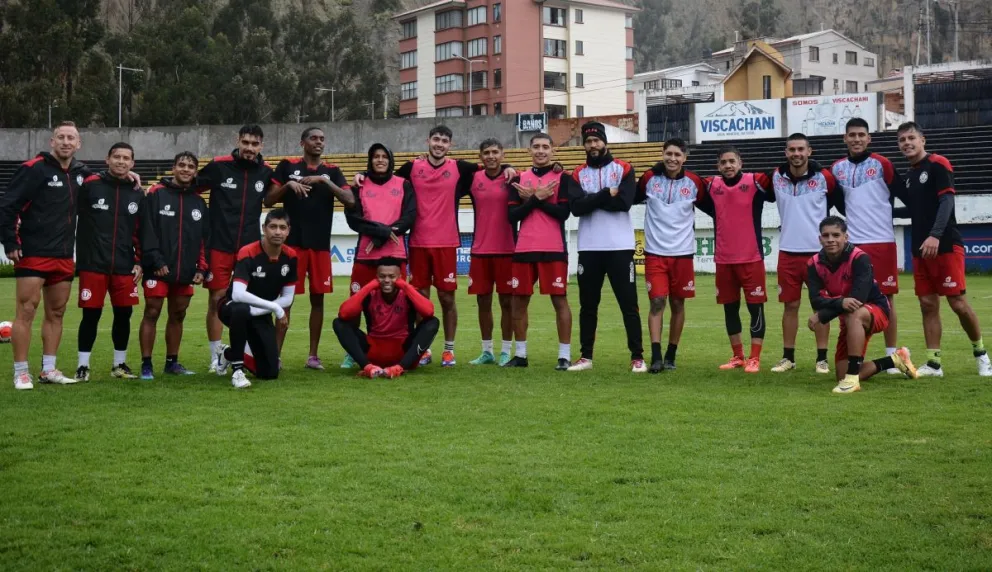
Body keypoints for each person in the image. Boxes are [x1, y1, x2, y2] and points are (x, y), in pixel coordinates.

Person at [353, 125, 515, 367]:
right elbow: (383, 176)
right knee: (419, 299)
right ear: (428, 141)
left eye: (445, 141)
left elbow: (491, 167)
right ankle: (423, 349)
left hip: (446, 242)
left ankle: (448, 350)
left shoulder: (460, 168)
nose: (439, 144)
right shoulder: (412, 167)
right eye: (436, 139)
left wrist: (509, 167)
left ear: (450, 145)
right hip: (418, 242)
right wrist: (361, 174)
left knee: (447, 298)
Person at [891, 122, 990, 377]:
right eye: (902, 140)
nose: (906, 143)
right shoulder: (911, 175)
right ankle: (934, 364)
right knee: (927, 304)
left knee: (957, 303)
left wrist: (935, 235)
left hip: (944, 244)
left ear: (922, 140)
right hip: (920, 248)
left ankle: (981, 355)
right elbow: (914, 211)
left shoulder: (938, 163)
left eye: (911, 138)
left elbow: (946, 201)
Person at [0, 122, 94, 389]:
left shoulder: (81, 173)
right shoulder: (33, 169)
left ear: (78, 145)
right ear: (52, 142)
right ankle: (21, 372)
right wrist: (10, 241)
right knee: (26, 311)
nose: (66, 142)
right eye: (61, 137)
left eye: (71, 138)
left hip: (64, 254)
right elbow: (7, 206)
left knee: (57, 312)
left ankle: (48, 370)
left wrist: (131, 176)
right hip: (33, 251)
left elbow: (105, 181)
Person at [266, 127, 354, 370]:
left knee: (318, 300)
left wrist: (324, 182)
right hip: (291, 246)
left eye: (322, 139)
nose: (319, 142)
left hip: (320, 246)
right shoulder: (287, 166)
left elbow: (350, 200)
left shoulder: (332, 171)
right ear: (302, 142)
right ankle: (276, 355)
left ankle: (313, 356)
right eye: (314, 138)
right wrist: (288, 186)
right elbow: (269, 200)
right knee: (285, 301)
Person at [566, 122, 645, 373]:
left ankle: (637, 357)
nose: (593, 145)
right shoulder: (577, 173)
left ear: (604, 141)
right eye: (588, 142)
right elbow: (576, 208)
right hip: (589, 248)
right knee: (588, 305)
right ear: (584, 145)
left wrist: (591, 199)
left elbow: (623, 203)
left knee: (628, 304)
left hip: (620, 247)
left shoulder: (623, 168)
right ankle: (586, 357)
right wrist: (603, 194)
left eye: (596, 141)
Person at [806, 216, 917, 394]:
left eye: (836, 235)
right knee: (840, 374)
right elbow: (815, 300)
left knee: (854, 312)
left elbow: (858, 299)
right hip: (849, 317)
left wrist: (822, 315)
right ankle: (895, 360)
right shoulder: (814, 264)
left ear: (845, 237)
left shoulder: (859, 258)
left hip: (876, 310)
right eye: (826, 235)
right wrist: (839, 303)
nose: (831, 240)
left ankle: (852, 380)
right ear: (820, 239)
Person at [199, 124, 274, 373]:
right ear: (238, 141)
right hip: (219, 244)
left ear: (261, 146)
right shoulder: (219, 166)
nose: (249, 148)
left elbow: (282, 191)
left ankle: (246, 352)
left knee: (248, 301)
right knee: (217, 299)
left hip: (249, 248)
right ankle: (215, 355)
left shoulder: (266, 172)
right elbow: (190, 186)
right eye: (246, 143)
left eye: (255, 144)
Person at [831, 117, 905, 373]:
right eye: (852, 135)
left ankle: (892, 354)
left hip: (882, 241)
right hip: (854, 245)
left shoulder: (882, 164)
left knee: (887, 299)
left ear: (869, 138)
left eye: (861, 134)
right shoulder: (837, 168)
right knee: (855, 300)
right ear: (845, 138)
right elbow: (841, 203)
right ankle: (856, 355)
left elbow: (902, 193)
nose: (856, 139)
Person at [765, 133, 838, 375]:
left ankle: (822, 359)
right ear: (786, 152)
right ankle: (788, 358)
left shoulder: (824, 177)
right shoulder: (776, 176)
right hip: (787, 252)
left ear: (809, 152)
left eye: (800, 149)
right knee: (790, 306)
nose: (796, 154)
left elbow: (842, 202)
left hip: (818, 254)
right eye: (791, 150)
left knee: (822, 307)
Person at [696, 146, 771, 373]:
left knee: (755, 308)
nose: (728, 166)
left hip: (751, 258)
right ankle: (738, 356)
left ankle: (754, 358)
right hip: (724, 260)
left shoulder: (755, 181)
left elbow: (780, 177)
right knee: (730, 309)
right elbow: (689, 183)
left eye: (732, 161)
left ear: (740, 163)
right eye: (723, 162)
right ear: (718, 166)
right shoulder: (711, 185)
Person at [73, 142, 144, 382]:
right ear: (107, 159)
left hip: (124, 266)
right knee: (90, 316)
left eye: (126, 158)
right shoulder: (91, 185)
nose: (121, 162)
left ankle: (119, 364)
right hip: (93, 264)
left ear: (132, 163)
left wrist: (139, 261)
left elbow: (141, 230)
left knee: (124, 314)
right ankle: (83, 366)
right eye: (117, 157)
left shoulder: (136, 192)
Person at [635, 138, 707, 373]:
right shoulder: (649, 179)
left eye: (677, 154)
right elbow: (629, 196)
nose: (672, 158)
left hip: (683, 254)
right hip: (655, 253)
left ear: (685, 157)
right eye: (668, 154)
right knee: (657, 302)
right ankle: (655, 355)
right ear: (662, 154)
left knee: (678, 303)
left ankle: (671, 354)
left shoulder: (695, 182)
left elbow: (716, 206)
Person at [342, 143, 416, 368]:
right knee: (356, 304)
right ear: (370, 160)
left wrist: (385, 234)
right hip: (365, 256)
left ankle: (407, 349)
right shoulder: (360, 185)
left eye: (384, 156)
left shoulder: (404, 184)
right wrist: (380, 231)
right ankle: (353, 351)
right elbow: (353, 219)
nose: (380, 160)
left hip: (395, 254)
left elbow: (409, 217)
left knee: (405, 304)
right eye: (376, 157)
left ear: (390, 160)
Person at [138, 151, 210, 379]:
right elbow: (146, 231)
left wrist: (201, 268)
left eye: (191, 166)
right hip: (157, 269)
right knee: (152, 311)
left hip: (185, 270)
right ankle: (146, 364)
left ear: (195, 171)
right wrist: (156, 260)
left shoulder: (198, 201)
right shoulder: (156, 194)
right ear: (174, 168)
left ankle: (172, 362)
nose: (186, 169)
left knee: (178, 314)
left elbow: (203, 239)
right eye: (182, 165)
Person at [503, 133, 573, 369]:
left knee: (559, 300)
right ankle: (521, 355)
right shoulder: (519, 178)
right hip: (524, 249)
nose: (541, 151)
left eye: (545, 146)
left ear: (553, 150)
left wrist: (534, 199)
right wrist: (537, 199)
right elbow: (512, 216)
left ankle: (564, 356)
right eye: (536, 147)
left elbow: (563, 214)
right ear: (528, 150)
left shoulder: (562, 178)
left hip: (553, 249)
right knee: (519, 302)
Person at [214, 209, 297, 389]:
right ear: (264, 228)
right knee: (241, 309)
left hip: (258, 312)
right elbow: (237, 294)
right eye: (273, 226)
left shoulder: (291, 257)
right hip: (230, 307)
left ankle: (227, 354)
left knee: (270, 372)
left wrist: (260, 310)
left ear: (288, 230)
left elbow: (288, 297)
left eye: (282, 227)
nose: (277, 232)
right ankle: (237, 371)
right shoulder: (248, 251)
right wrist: (275, 308)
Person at [332, 261, 440, 378]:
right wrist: (369, 286)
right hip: (373, 352)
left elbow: (429, 312)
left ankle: (399, 368)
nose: (387, 280)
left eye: (392, 277)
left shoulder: (408, 294)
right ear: (376, 278)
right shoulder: (370, 294)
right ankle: (368, 367)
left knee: (433, 322)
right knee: (339, 323)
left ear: (400, 278)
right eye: (382, 276)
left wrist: (404, 286)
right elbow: (343, 314)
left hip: (403, 354)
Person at [463, 138, 516, 366]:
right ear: (480, 157)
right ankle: (487, 351)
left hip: (507, 249)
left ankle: (505, 350)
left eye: (495, 152)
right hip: (480, 251)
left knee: (507, 302)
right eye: (487, 152)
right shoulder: (473, 179)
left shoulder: (514, 177)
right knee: (483, 302)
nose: (491, 156)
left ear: (502, 154)